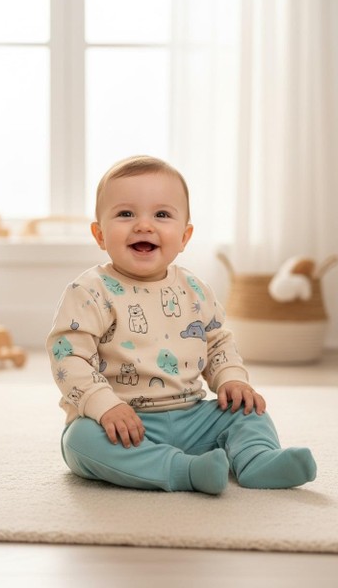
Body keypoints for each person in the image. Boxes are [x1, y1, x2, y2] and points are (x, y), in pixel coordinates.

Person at [46, 155, 317, 495]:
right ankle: (184, 470)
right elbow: (68, 356)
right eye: (126, 214)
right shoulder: (89, 291)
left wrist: (231, 380)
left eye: (161, 215)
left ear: (185, 236)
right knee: (80, 441)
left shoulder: (194, 289)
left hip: (193, 416)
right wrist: (104, 405)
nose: (144, 226)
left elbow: (217, 342)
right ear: (99, 234)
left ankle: (257, 460)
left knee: (249, 412)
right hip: (123, 423)